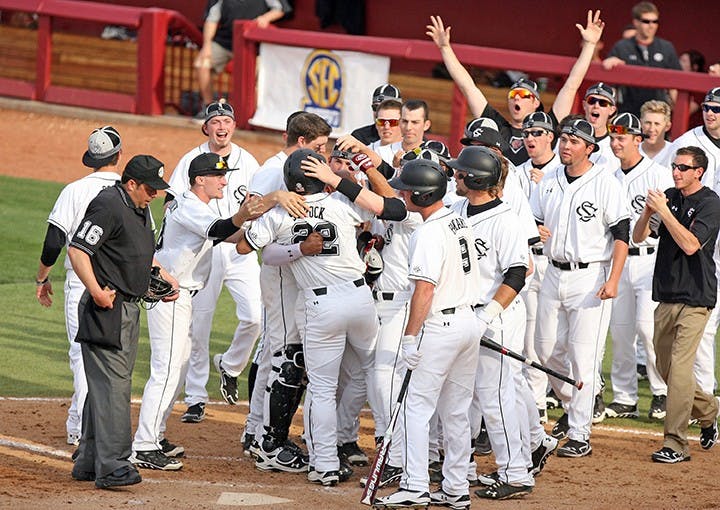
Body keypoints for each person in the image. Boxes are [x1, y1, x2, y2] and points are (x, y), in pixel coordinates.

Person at [239, 149, 406, 486]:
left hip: (321, 306)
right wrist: (342, 181)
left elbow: (247, 246)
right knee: (376, 375)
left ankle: (325, 463)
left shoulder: (280, 213)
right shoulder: (342, 204)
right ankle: (396, 455)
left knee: (322, 387)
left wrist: (275, 205)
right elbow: (395, 208)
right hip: (360, 299)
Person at [130, 153, 297, 471]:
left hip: (180, 296)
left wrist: (258, 230)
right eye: (218, 176)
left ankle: (156, 436)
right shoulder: (190, 205)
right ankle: (143, 445)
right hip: (169, 296)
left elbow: (231, 235)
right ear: (200, 180)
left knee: (176, 371)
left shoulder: (197, 206)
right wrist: (271, 200)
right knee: (165, 372)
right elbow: (222, 227)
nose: (225, 181)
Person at [447, 146, 557, 500]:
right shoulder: (458, 209)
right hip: (467, 313)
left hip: (499, 315)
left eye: (460, 172)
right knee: (471, 395)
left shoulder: (506, 220)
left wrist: (486, 315)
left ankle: (516, 472)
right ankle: (511, 458)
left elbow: (517, 273)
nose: (455, 176)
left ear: (474, 179)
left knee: (495, 398)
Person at [373, 157, 480, 509]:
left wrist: (408, 337)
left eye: (405, 191)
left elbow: (424, 290)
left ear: (420, 195)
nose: (400, 196)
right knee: (456, 412)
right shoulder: (457, 221)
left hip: (440, 327)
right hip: (467, 324)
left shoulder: (428, 232)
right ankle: (455, 488)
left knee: (415, 409)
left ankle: (415, 485)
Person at [68, 155, 175, 489]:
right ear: (131, 183)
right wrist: (97, 292)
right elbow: (77, 250)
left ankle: (88, 460)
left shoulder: (138, 208)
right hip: (108, 308)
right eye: (149, 188)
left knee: (106, 386)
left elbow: (137, 253)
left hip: (127, 308)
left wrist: (159, 275)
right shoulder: (108, 205)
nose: (154, 194)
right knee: (115, 388)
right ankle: (113, 466)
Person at [530, 119, 630, 457]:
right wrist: (536, 229)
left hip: (591, 277)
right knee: (544, 351)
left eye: (575, 140)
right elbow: (534, 220)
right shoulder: (548, 181)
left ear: (590, 147)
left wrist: (614, 279)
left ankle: (579, 434)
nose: (566, 145)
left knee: (582, 358)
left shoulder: (606, 182)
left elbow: (622, 235)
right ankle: (578, 405)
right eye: (564, 139)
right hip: (552, 274)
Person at [242, 112, 331, 472]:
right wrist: (275, 197)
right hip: (280, 272)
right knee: (278, 351)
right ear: (302, 143)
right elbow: (244, 216)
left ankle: (256, 429)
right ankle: (260, 434)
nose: (324, 154)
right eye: (320, 147)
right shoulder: (272, 171)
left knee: (278, 350)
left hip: (298, 272)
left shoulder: (300, 167)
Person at [167, 101, 261, 424]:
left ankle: (230, 365)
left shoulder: (248, 162)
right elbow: (172, 202)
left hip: (240, 249)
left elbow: (260, 203)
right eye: (215, 121)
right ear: (206, 127)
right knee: (200, 324)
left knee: (255, 317)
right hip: (204, 249)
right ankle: (195, 397)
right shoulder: (191, 160)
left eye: (227, 121)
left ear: (234, 126)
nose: (221, 126)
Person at [35, 126, 123, 448]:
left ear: (91, 159)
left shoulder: (73, 191)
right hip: (119, 288)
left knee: (82, 356)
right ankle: (89, 425)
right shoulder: (130, 193)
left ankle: (81, 429)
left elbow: (54, 242)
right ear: (119, 155)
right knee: (114, 361)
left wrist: (42, 278)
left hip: (79, 285)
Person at [632, 146, 720, 463]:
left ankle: (676, 443)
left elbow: (691, 244)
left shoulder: (710, 203)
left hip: (697, 296)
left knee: (681, 368)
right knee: (667, 369)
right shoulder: (670, 196)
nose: (676, 172)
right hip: (666, 294)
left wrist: (665, 212)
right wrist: (647, 212)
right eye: (674, 166)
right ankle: (710, 410)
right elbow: (640, 237)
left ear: (699, 171)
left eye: (683, 167)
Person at [427, 11, 605, 165]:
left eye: (522, 94)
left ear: (536, 102)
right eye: (512, 94)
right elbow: (468, 87)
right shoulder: (498, 126)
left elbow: (572, 84)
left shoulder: (548, 125)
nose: (516, 98)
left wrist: (589, 45)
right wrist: (445, 48)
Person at [605, 113, 672, 422]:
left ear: (637, 139)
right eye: (613, 137)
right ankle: (624, 397)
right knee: (619, 333)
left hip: (650, 258)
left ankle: (661, 391)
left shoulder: (658, 174)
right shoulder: (606, 175)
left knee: (648, 329)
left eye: (623, 137)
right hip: (618, 258)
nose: (616, 142)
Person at [664, 88, 720, 397]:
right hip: (702, 245)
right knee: (703, 327)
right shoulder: (688, 142)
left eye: (717, 108)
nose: (711, 112)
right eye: (708, 106)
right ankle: (705, 397)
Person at [515, 112, 561, 421]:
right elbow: (509, 214)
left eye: (538, 132)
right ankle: (537, 402)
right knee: (530, 336)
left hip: (558, 261)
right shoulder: (516, 172)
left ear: (551, 137)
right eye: (528, 132)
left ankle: (581, 395)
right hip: (529, 258)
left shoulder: (565, 172)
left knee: (558, 338)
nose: (531, 138)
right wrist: (530, 226)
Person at [194, 0, 291, 115]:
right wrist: (207, 45)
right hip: (225, 41)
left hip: (253, 45)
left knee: (255, 78)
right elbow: (211, 19)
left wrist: (265, 18)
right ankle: (208, 108)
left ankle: (253, 115)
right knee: (202, 63)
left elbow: (280, 9)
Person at [603, 1, 681, 117]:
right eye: (646, 21)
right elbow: (609, 83)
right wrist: (611, 64)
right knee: (619, 133)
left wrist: (678, 114)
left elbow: (676, 85)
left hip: (657, 114)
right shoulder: (622, 47)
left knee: (657, 135)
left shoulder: (667, 47)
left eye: (655, 21)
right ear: (636, 22)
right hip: (627, 113)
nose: (651, 25)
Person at [679, 50, 707, 128]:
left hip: (691, 130)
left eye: (684, 61)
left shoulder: (700, 87)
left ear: (695, 66)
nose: (678, 63)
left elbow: (684, 112)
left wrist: (672, 88)